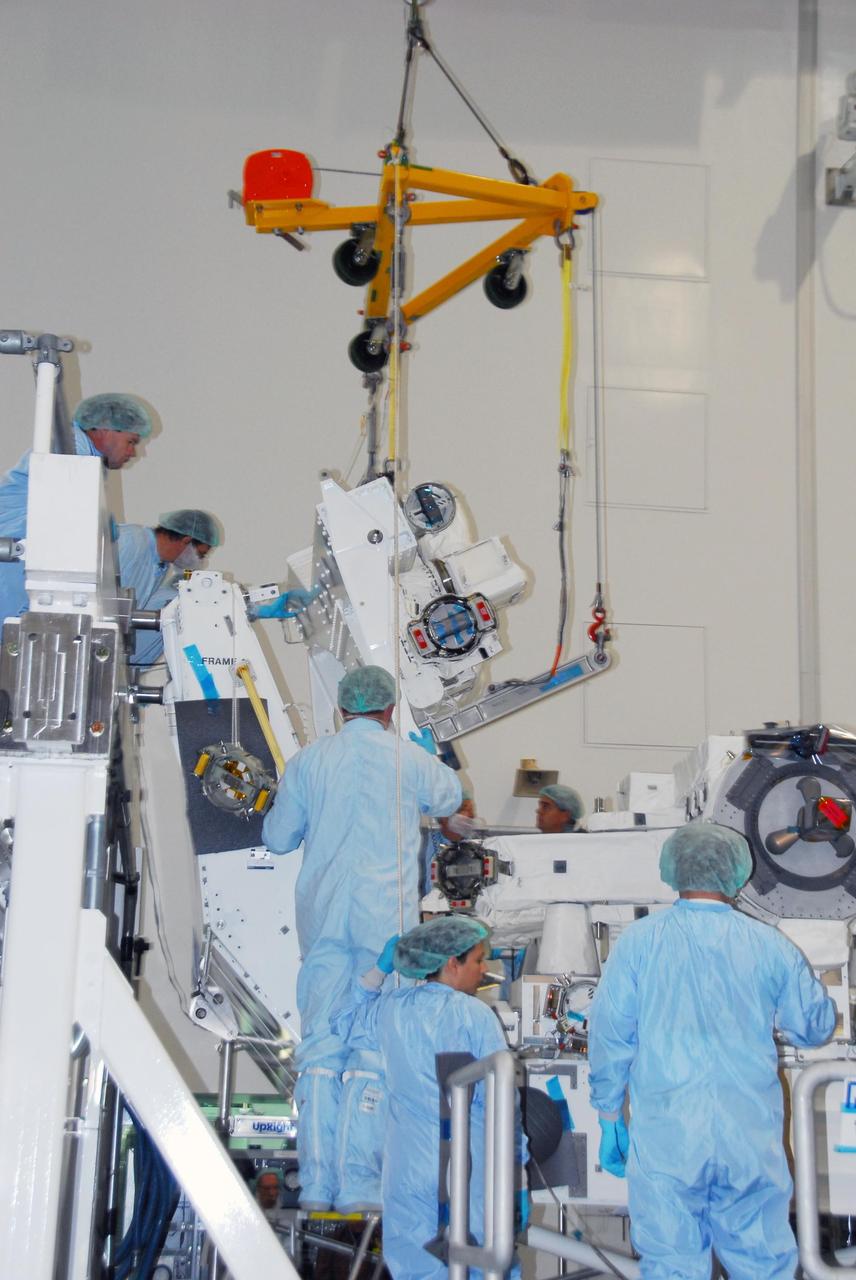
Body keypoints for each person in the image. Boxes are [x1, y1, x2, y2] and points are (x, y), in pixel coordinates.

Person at [588, 821, 836, 1280]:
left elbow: (610, 1034)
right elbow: (813, 1029)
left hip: (668, 1136)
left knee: (671, 1264)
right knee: (762, 1262)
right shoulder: (770, 946)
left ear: (672, 870)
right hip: (748, 1137)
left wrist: (607, 1114)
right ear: (737, 875)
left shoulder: (639, 943)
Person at [261, 665, 464, 1213]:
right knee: (372, 1049)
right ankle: (358, 1183)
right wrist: (425, 751)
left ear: (340, 710)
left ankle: (319, 1186)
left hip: (323, 923)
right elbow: (450, 798)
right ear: (391, 710)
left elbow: (277, 839)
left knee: (322, 1051)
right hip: (385, 931)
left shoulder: (309, 762)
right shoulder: (407, 758)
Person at [335, 916, 524, 1280]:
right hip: (469, 1171)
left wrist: (378, 970)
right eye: (478, 960)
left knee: (418, 1269)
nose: (483, 970)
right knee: (481, 1265)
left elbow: (342, 1021)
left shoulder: (392, 1009)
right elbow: (502, 1103)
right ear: (452, 963)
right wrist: (519, 1167)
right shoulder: (475, 1015)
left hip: (409, 1171)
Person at [0, 393, 152, 624]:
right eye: (131, 442)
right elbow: (77, 508)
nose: (132, 452)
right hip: (11, 560)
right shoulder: (70, 449)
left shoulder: (84, 461)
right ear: (104, 429)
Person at [117, 508, 220, 665]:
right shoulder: (131, 541)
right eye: (200, 554)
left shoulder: (159, 567)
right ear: (186, 540)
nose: (200, 562)